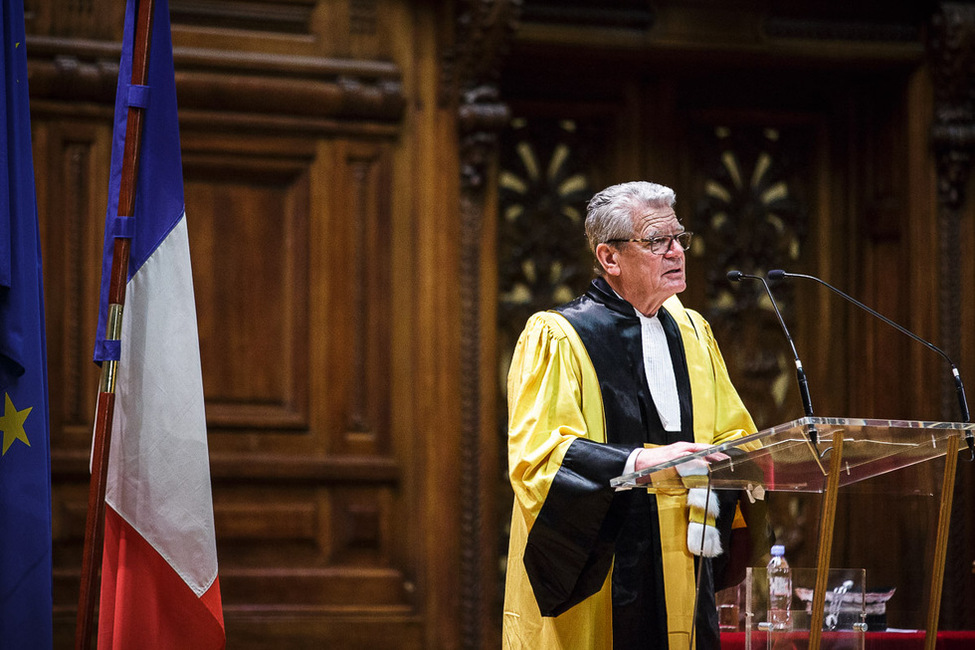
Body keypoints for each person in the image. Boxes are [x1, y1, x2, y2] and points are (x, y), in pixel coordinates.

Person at [502, 181, 758, 649]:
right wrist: (644, 462)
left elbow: (735, 432)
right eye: (657, 241)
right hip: (605, 569)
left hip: (683, 565)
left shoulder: (695, 332)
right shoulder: (559, 336)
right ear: (610, 258)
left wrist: (754, 459)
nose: (676, 252)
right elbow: (539, 458)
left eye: (679, 238)